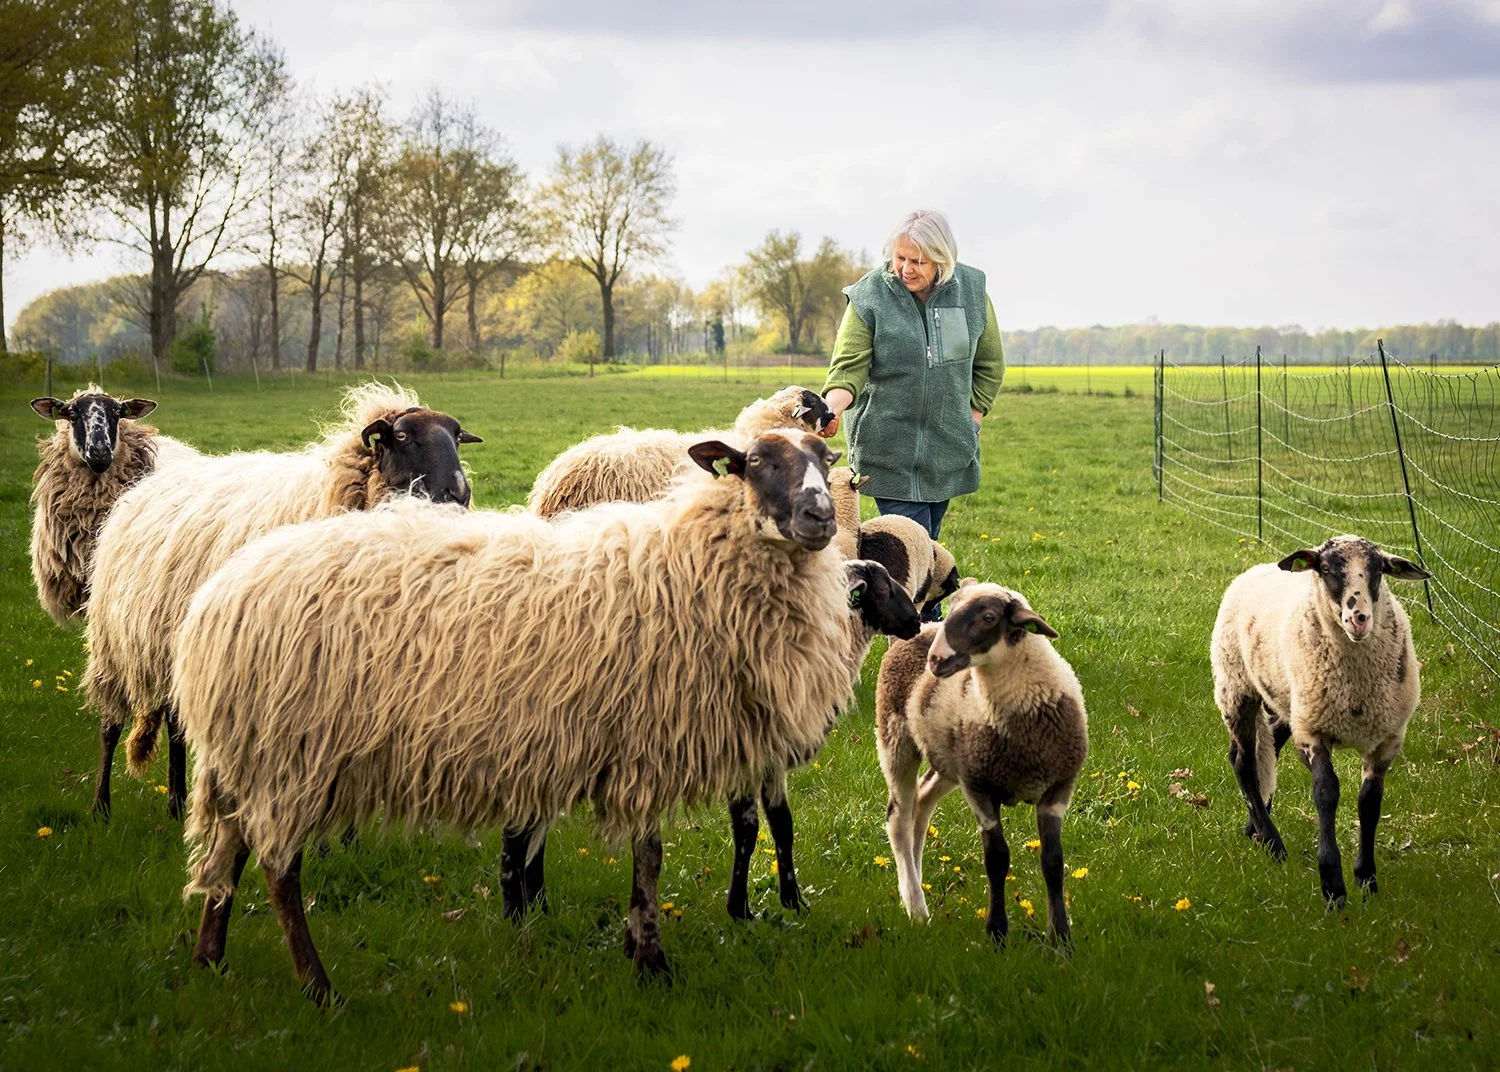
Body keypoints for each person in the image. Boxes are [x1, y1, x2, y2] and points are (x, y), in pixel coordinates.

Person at [821, 209, 1005, 552]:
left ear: (942, 260)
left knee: (927, 545)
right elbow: (849, 367)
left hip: (948, 446)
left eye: (918, 261)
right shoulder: (870, 295)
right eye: (900, 258)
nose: (905, 268)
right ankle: (920, 606)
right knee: (915, 548)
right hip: (887, 447)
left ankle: (913, 601)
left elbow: (990, 364)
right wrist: (832, 407)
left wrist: (973, 418)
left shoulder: (971, 293)